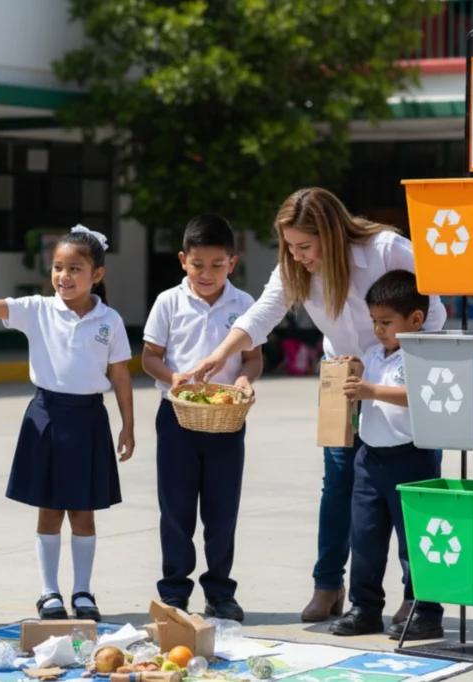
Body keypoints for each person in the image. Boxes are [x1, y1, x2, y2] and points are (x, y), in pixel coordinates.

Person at [189, 188, 446, 624]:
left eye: (305, 246)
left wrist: (405, 365)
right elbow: (263, 314)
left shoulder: (386, 250)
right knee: (341, 482)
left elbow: (433, 305)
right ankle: (330, 584)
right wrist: (220, 354)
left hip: (401, 373)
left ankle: (417, 595)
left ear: (330, 233)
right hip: (341, 374)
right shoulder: (295, 267)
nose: (299, 256)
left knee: (411, 490)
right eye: (290, 247)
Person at [0, 225, 135, 622]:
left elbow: (120, 376)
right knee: (49, 510)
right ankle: (49, 592)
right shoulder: (38, 309)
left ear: (96, 275)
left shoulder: (110, 321)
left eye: (74, 269)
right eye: (57, 267)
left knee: (83, 512)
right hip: (46, 416)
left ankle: (82, 591)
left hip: (89, 419)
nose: (63, 277)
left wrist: (128, 426)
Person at [141, 214, 262, 621]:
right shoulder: (168, 302)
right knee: (175, 509)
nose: (206, 274)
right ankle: (174, 591)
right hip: (176, 417)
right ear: (182, 261)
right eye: (197, 265)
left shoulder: (245, 305)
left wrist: (244, 379)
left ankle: (220, 591)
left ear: (233, 262)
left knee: (222, 510)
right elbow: (149, 358)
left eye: (216, 265)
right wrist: (173, 378)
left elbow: (254, 357)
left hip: (227, 420)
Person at [331, 269, 443, 641]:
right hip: (370, 459)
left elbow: (418, 396)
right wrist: (356, 373)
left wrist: (372, 389)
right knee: (364, 537)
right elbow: (367, 388)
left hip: (411, 459)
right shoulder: (374, 353)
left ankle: (424, 609)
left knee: (415, 542)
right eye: (374, 322)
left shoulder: (423, 353)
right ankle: (365, 607)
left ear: (415, 319)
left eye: (386, 322)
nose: (378, 330)